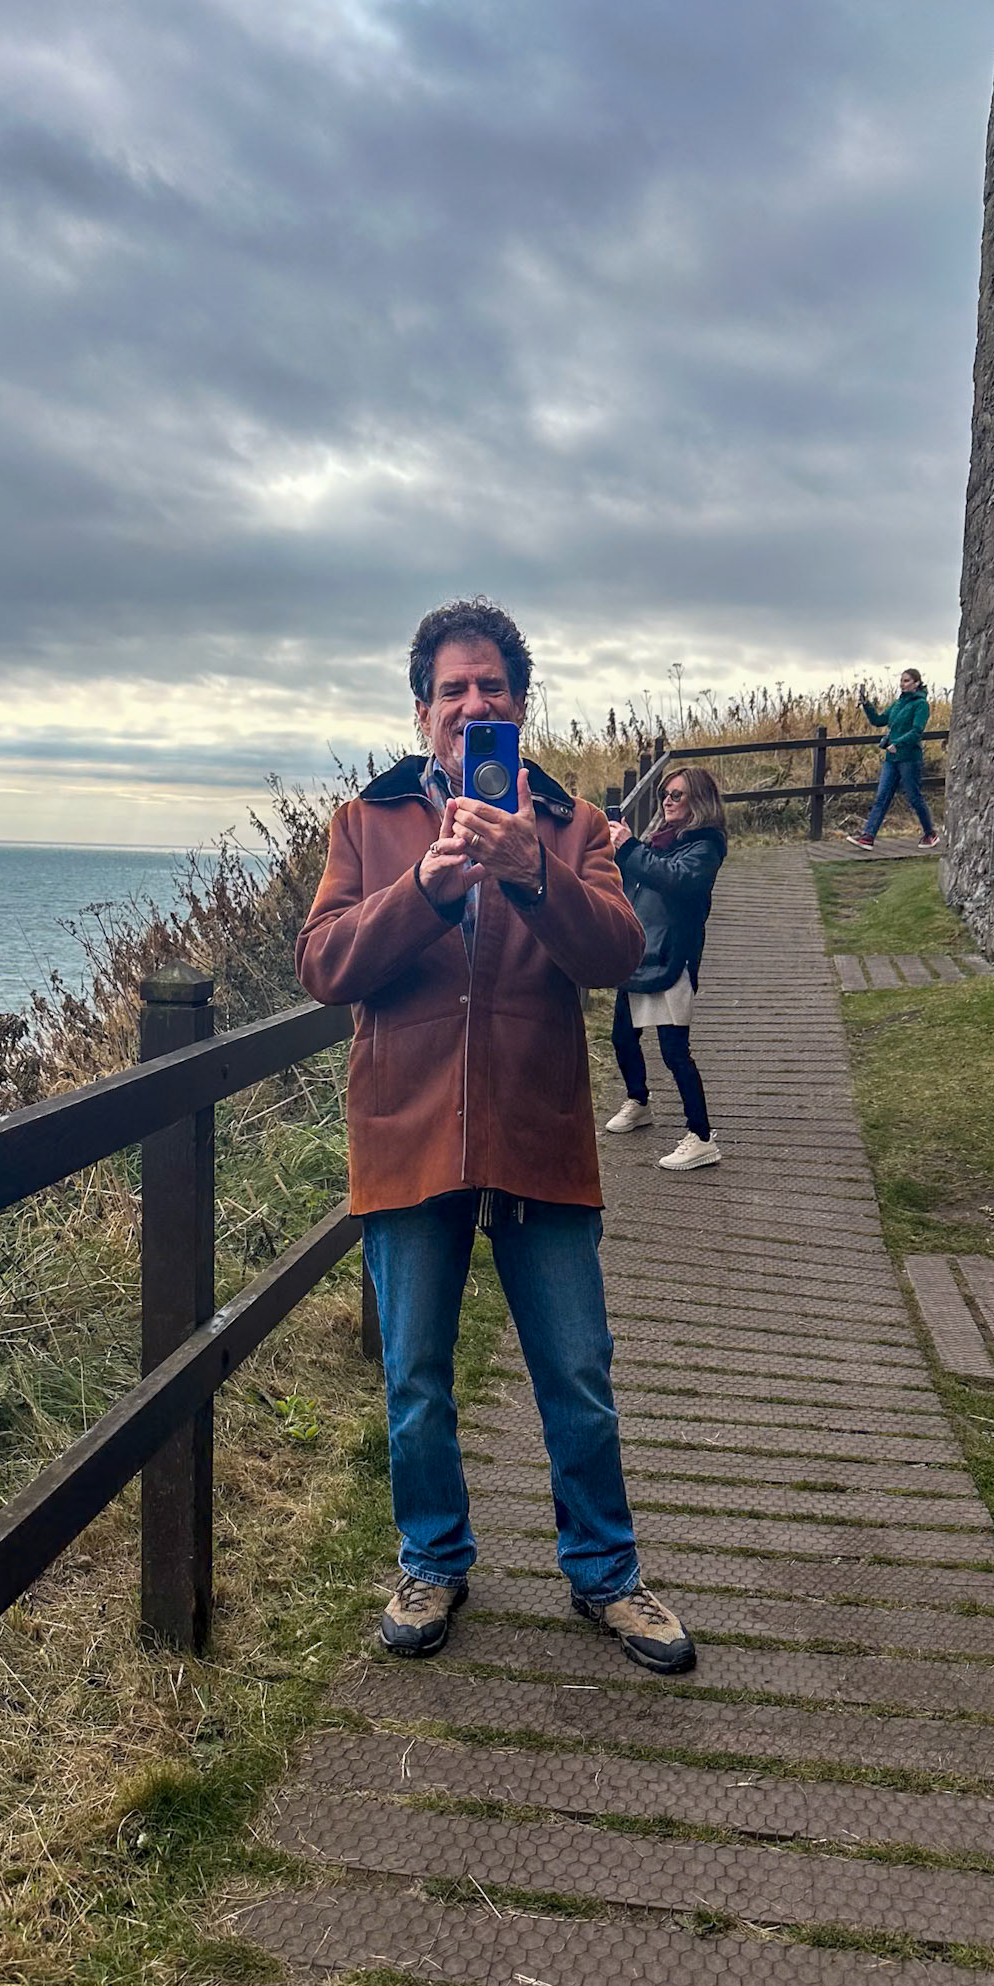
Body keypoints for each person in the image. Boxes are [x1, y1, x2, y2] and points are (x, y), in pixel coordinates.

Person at [295, 596, 697, 1676]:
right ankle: (432, 1557)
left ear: (521, 704)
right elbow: (325, 963)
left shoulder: (572, 824)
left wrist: (530, 868)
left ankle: (606, 1573)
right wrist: (421, 893)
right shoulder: (366, 825)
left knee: (577, 1368)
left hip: (537, 1128)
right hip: (408, 1131)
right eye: (453, 689)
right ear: (423, 710)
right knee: (416, 1374)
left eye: (493, 687)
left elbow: (616, 951)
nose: (474, 703)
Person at [606, 767, 727, 1171]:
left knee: (675, 1053)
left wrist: (628, 849)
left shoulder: (705, 847)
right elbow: (638, 878)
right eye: (665, 794)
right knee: (622, 1037)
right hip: (640, 952)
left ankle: (702, 1137)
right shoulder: (662, 841)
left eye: (678, 794)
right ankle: (639, 1101)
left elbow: (676, 879)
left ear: (699, 801)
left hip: (673, 956)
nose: (668, 801)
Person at [845, 669, 939, 850]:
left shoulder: (921, 705)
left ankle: (930, 834)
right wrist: (867, 705)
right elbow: (879, 720)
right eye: (902, 681)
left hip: (909, 758)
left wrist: (898, 743)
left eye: (906, 681)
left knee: (914, 797)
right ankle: (868, 837)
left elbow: (917, 731)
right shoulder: (898, 704)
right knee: (882, 796)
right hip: (892, 758)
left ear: (917, 683)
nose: (902, 684)